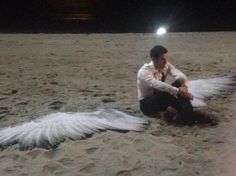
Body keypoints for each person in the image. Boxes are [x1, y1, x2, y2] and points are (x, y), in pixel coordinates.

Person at [137, 45, 194, 120]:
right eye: (162, 59)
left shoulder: (165, 64)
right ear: (154, 59)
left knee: (179, 83)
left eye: (166, 58)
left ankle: (188, 112)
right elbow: (158, 85)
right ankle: (185, 113)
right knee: (166, 90)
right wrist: (179, 91)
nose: (166, 61)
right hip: (148, 105)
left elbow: (180, 75)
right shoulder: (144, 71)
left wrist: (184, 87)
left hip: (160, 97)